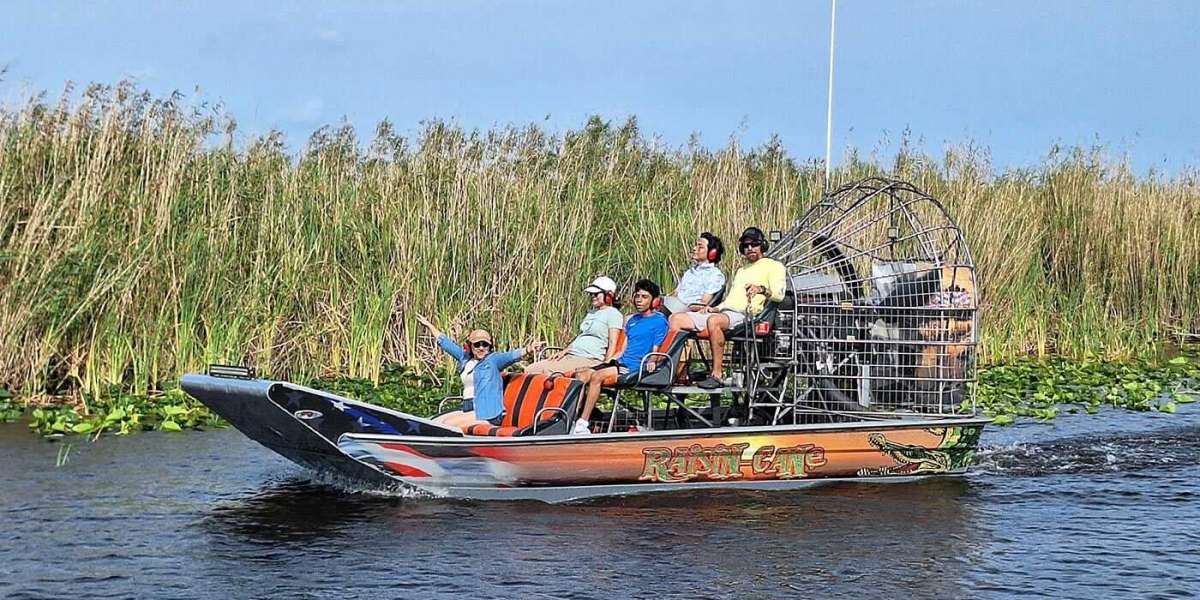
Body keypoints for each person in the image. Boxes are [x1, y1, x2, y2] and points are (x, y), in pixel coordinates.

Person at [671, 226, 786, 389]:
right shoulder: (741, 270)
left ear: (763, 246)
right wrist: (716, 308)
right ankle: (675, 373)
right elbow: (731, 300)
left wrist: (761, 289)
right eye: (746, 246)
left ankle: (717, 374)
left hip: (748, 315)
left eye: (754, 244)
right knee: (677, 319)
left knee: (714, 322)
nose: (750, 249)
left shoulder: (774, 266)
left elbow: (779, 295)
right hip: (726, 312)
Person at [573, 279, 669, 434]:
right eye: (637, 296)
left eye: (644, 297)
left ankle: (581, 424)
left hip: (636, 366)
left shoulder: (659, 322)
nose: (639, 300)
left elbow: (657, 348)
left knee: (597, 377)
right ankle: (575, 417)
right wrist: (608, 362)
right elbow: (623, 348)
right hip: (622, 363)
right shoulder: (632, 320)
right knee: (581, 374)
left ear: (654, 300)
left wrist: (652, 361)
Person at [416, 315, 544, 430]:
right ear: (471, 346)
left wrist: (529, 349)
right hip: (469, 408)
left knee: (448, 424)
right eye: (477, 345)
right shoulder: (464, 358)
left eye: (485, 345)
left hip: (488, 412)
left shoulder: (494, 360)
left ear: (490, 346)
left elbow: (512, 356)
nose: (481, 348)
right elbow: (446, 343)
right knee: (436, 421)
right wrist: (429, 325)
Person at [524, 276, 624, 376]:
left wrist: (604, 365)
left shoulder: (613, 314)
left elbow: (613, 342)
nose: (593, 296)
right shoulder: (591, 313)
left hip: (589, 358)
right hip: (571, 355)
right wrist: (565, 351)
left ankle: (562, 390)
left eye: (596, 294)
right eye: (591, 294)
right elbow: (582, 336)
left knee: (548, 372)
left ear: (609, 295)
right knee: (530, 369)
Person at [661, 232, 727, 315]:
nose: (694, 248)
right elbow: (675, 293)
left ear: (712, 253)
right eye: (696, 245)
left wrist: (685, 306)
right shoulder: (689, 272)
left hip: (688, 311)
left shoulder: (715, 275)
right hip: (674, 306)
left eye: (700, 247)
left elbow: (704, 303)